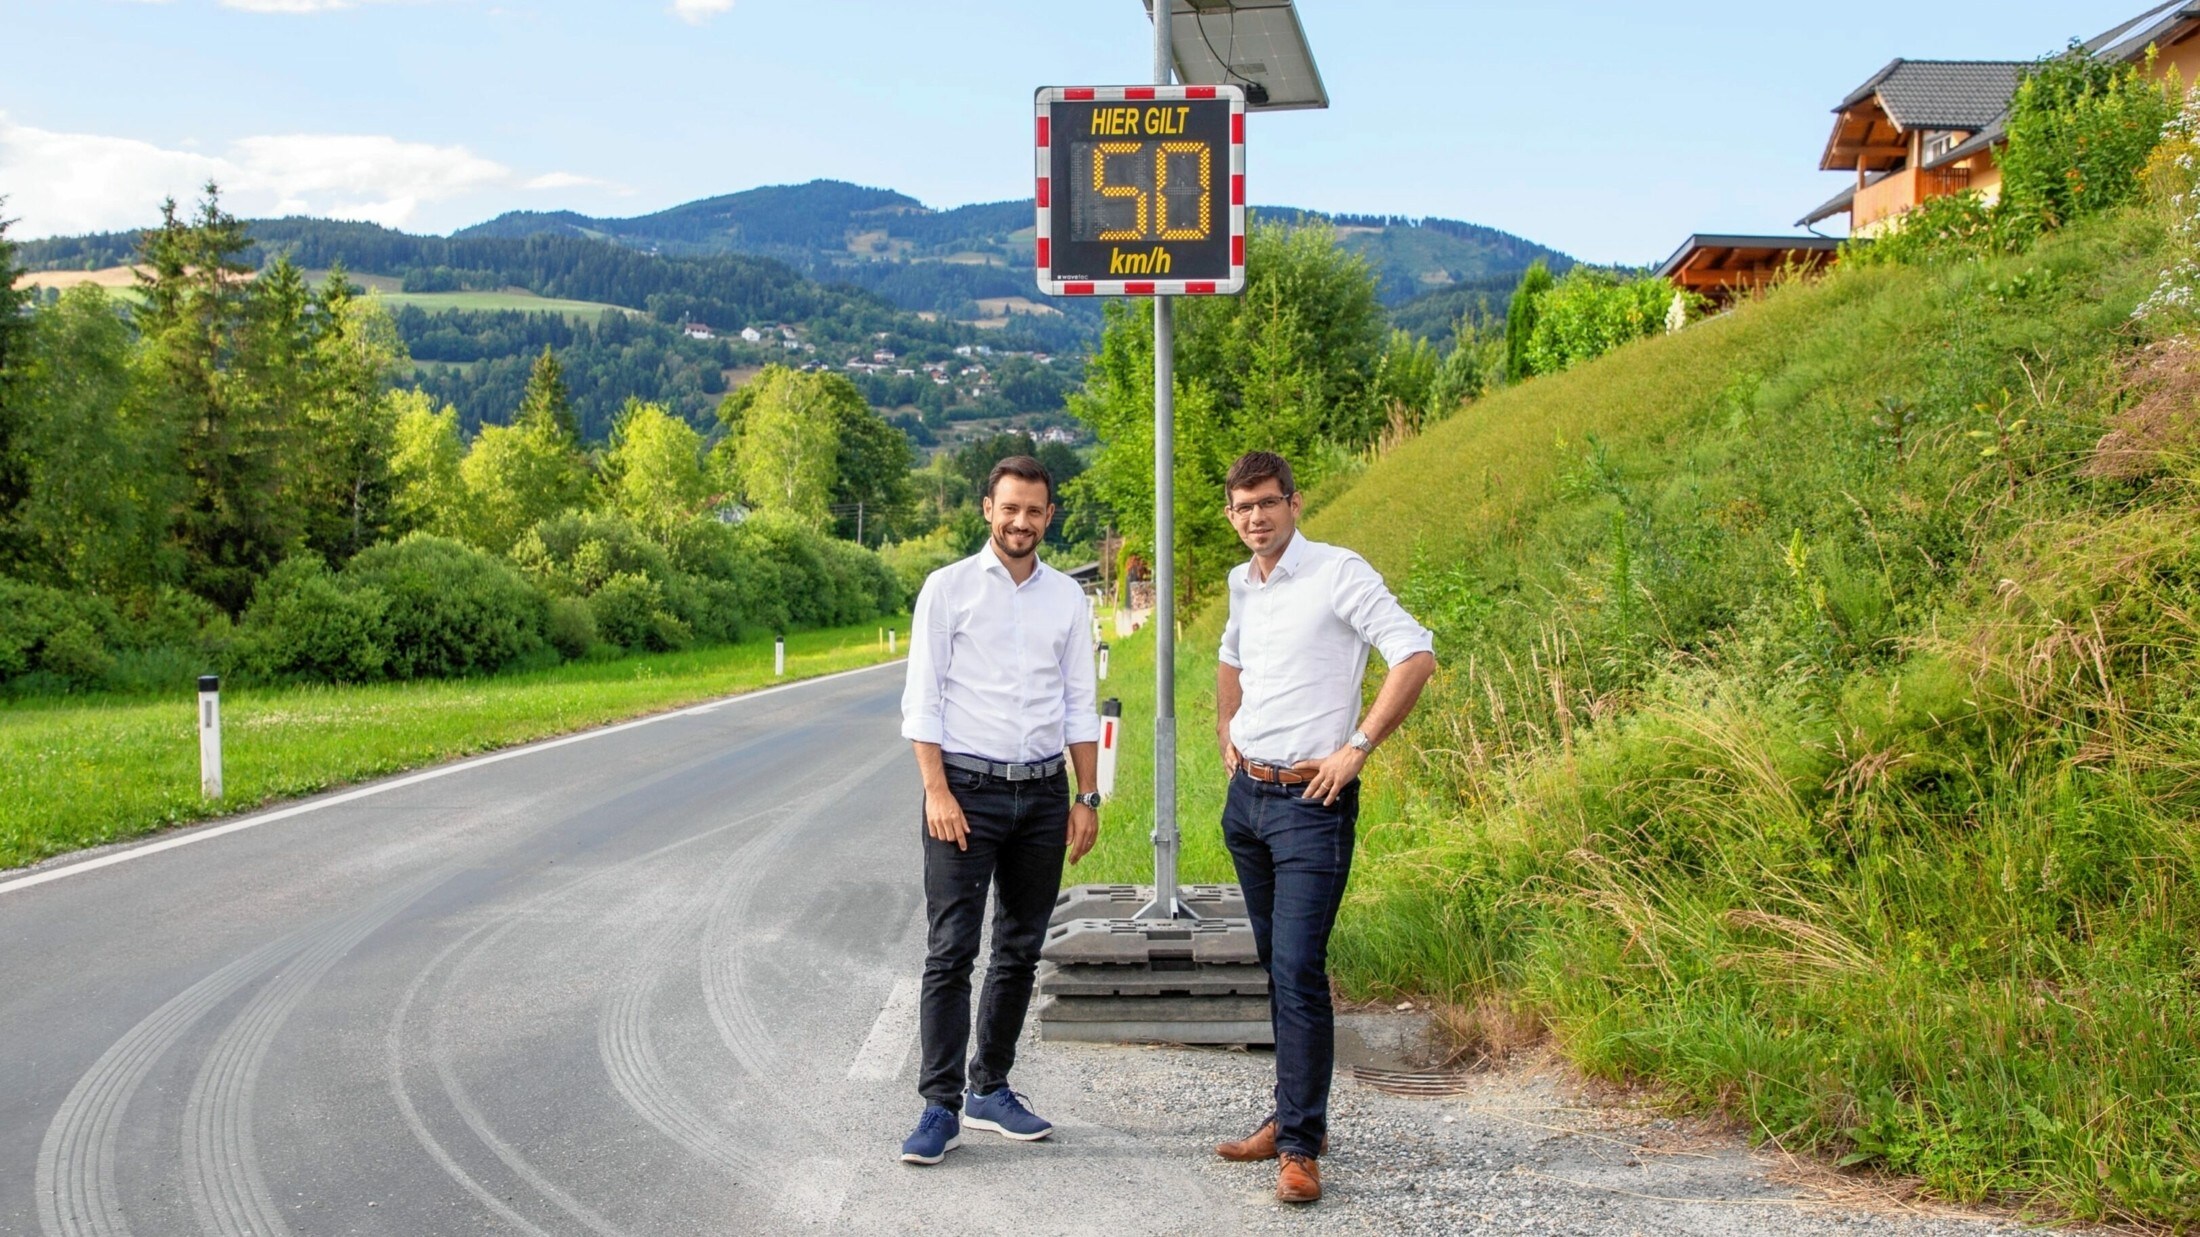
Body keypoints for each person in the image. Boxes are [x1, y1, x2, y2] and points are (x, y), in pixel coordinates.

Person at [1209, 450, 1436, 1204]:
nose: (1256, 518)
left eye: (1267, 503)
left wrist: (1359, 745)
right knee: (1278, 967)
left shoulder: (1339, 572)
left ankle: (1301, 1148)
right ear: (1232, 513)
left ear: (1294, 503)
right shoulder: (1244, 582)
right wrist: (1225, 728)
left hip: (1313, 803)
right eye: (1243, 508)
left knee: (1300, 968)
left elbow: (1414, 652)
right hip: (1249, 801)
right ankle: (1290, 1117)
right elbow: (1230, 658)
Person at [896, 455, 1103, 1165]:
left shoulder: (1067, 600)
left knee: (1019, 948)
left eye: (1034, 510)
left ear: (1049, 515)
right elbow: (922, 700)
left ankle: (991, 1086)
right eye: (1009, 507)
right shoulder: (947, 588)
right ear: (988, 508)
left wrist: (1087, 796)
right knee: (952, 949)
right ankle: (939, 1105)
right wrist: (937, 790)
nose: (1021, 521)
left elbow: (1081, 702)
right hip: (965, 793)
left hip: (1045, 796)